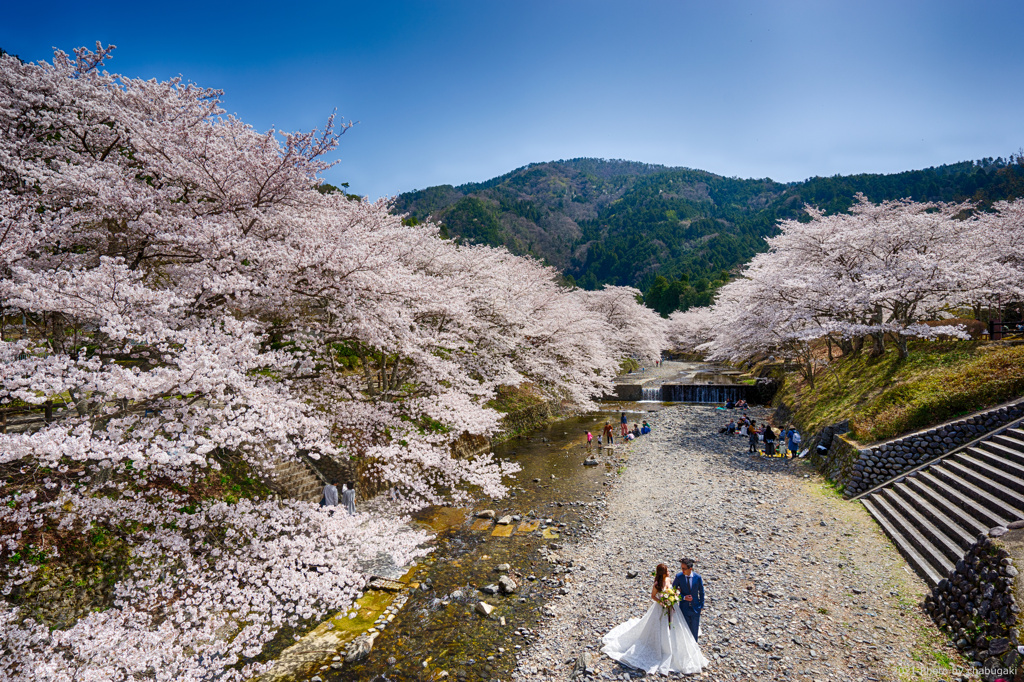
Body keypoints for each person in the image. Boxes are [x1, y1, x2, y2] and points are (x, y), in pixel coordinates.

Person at [601, 563, 708, 674]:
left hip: (668, 606)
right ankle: (665, 648)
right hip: (663, 607)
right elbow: (654, 596)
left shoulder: (663, 580)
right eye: (667, 570)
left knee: (669, 626)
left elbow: (664, 593)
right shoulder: (660, 582)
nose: (669, 571)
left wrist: (671, 597)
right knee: (664, 625)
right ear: (664, 572)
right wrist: (663, 601)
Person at [672, 558, 705, 644]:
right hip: (684, 608)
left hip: (695, 608)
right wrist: (683, 597)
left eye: (684, 568)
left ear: (690, 568)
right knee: (684, 631)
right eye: (681, 568)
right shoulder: (679, 577)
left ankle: (694, 650)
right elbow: (672, 591)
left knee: (694, 630)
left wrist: (701, 606)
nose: (682, 570)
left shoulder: (698, 578)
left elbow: (701, 592)